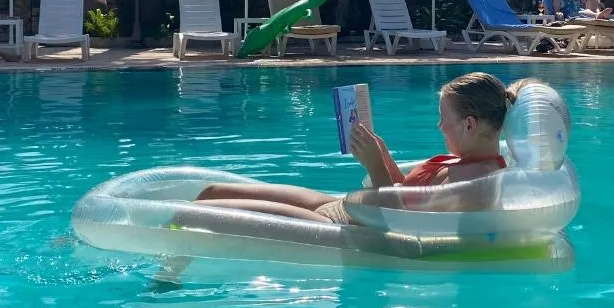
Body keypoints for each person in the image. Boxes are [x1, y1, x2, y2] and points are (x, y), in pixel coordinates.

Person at [188, 72, 523, 225]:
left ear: (469, 124)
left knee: (196, 212)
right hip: (343, 207)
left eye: (443, 119)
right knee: (211, 192)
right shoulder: (462, 160)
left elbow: (400, 223)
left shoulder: (477, 181)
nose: (439, 126)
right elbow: (407, 194)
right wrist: (383, 157)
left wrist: (375, 167)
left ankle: (170, 280)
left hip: (345, 226)